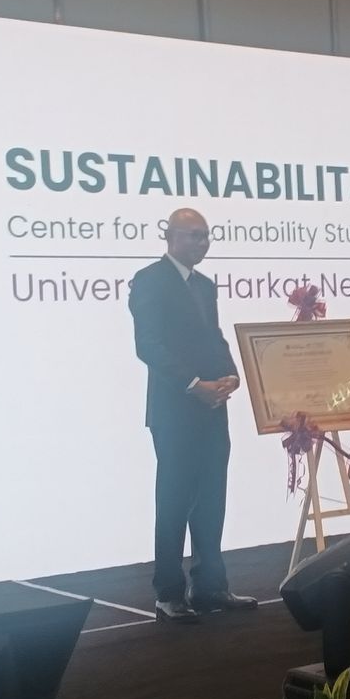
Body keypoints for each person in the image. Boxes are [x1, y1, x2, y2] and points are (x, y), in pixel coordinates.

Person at [129, 208, 258, 622]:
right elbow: (148, 345)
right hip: (174, 411)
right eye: (193, 235)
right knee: (174, 502)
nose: (202, 243)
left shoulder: (204, 285)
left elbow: (213, 337)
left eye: (206, 235)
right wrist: (194, 385)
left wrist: (231, 374)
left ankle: (210, 587)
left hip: (212, 408)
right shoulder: (149, 280)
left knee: (212, 499)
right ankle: (168, 593)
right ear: (169, 236)